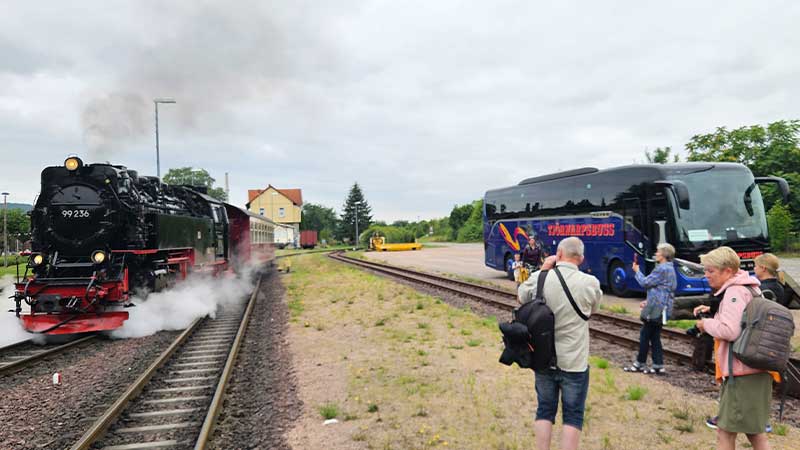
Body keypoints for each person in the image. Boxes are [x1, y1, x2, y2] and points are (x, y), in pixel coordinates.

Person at [518, 237, 602, 450]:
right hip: (574, 361)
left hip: (543, 358)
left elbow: (521, 296)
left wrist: (544, 269)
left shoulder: (541, 278)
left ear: (559, 254)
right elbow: (592, 310)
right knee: (573, 415)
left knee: (544, 409)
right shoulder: (589, 282)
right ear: (581, 259)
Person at [693, 246, 774, 450]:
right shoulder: (751, 288)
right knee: (755, 432)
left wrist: (706, 324)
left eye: (710, 271)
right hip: (755, 369)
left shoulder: (734, 292)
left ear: (727, 271)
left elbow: (730, 331)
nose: (706, 275)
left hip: (742, 372)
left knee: (725, 431)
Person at [624, 244, 677, 375]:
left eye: (658, 252)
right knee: (654, 337)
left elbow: (645, 282)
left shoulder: (661, 269)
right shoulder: (670, 269)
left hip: (656, 308)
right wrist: (649, 300)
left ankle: (639, 364)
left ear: (664, 255)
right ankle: (658, 365)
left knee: (644, 335)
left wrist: (637, 271)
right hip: (663, 307)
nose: (656, 254)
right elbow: (663, 289)